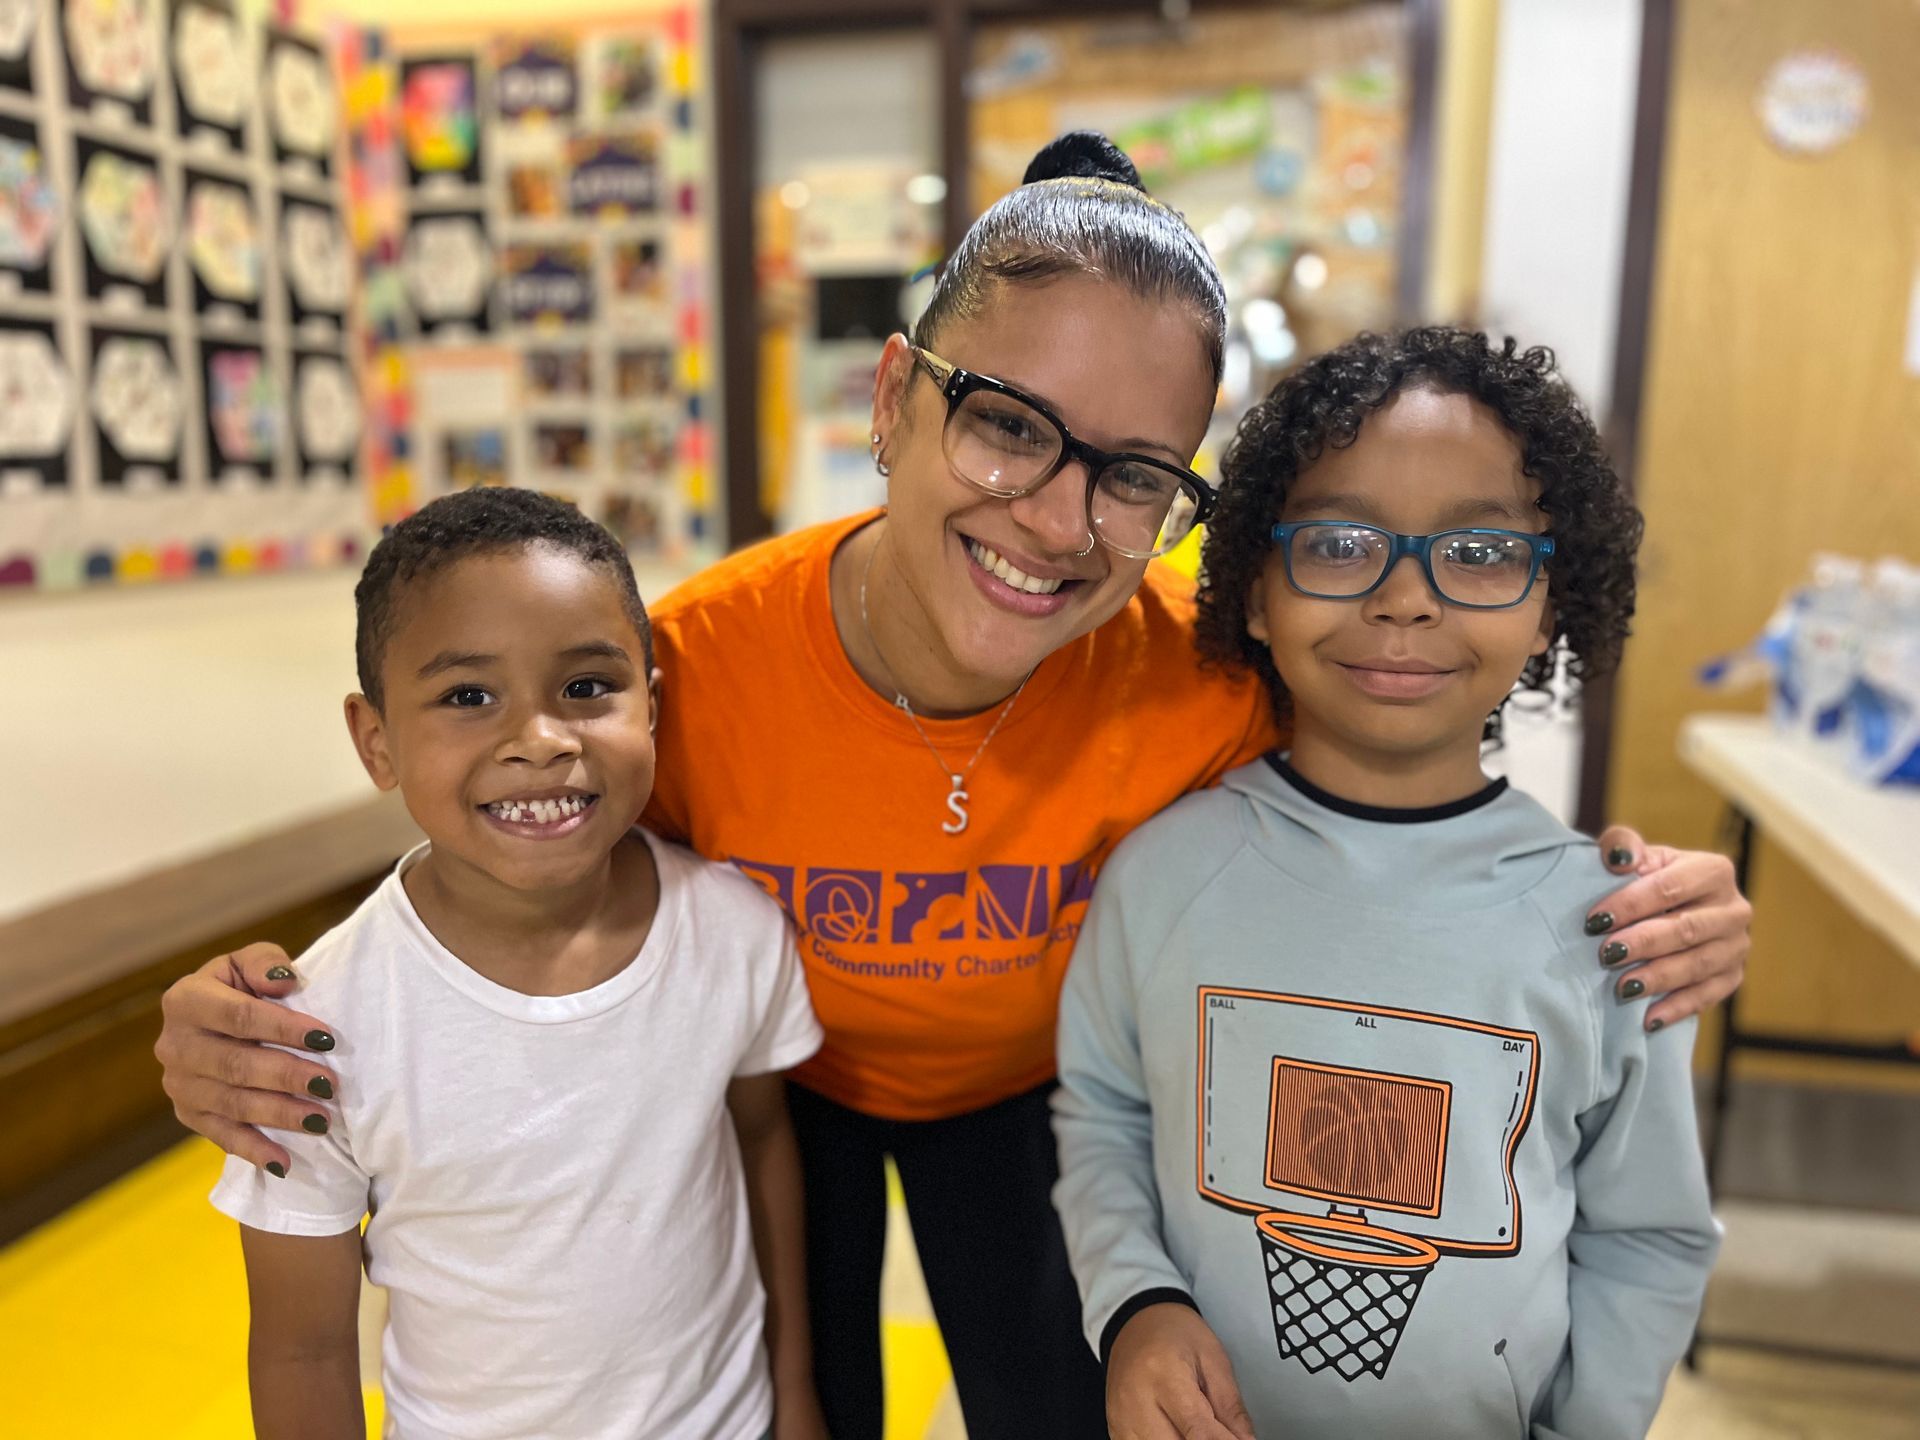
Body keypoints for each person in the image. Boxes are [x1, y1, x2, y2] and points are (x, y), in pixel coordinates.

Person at [155, 136, 1750, 1440]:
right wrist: (242, 1011)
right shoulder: (693, 670)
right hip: (783, 1109)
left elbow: (1403, 755)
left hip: (1045, 1105)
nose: (1058, 520)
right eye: (1006, 428)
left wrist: (1631, 889)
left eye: (1133, 472)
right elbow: (508, 841)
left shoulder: (1207, 675)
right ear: (894, 402)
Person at [1055, 328, 1719, 1440]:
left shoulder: (1607, 926)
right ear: (1255, 591)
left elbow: (1645, 1234)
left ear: (1548, 604)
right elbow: (1105, 1116)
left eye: (1478, 554)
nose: (1405, 600)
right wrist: (1135, 1306)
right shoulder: (1164, 876)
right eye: (1339, 541)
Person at [208, 488, 826, 1440]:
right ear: (378, 742)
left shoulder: (735, 932)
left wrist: (795, 1402)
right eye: (467, 696)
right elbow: (303, 1348)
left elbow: (760, 1147)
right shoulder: (316, 1027)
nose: (541, 739)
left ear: (651, 709)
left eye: (587, 687)